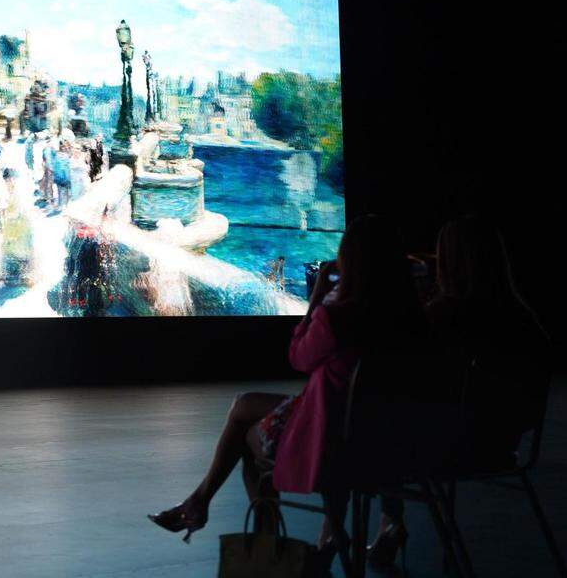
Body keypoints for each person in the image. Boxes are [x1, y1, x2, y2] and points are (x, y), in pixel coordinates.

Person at [149, 215, 423, 558]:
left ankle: (262, 542)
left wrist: (318, 300)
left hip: (333, 434)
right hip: (393, 436)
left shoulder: (338, 317)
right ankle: (201, 502)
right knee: (244, 403)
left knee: (247, 435)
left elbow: (300, 358)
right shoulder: (416, 321)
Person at [363, 215, 550, 569]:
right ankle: (395, 526)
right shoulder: (523, 319)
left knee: (368, 426)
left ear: (447, 260)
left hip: (455, 446)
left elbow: (393, 364)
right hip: (502, 444)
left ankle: (384, 525)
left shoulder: (445, 315)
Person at [0, 167, 35, 286]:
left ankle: (26, 274)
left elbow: (22, 209)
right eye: (7, 180)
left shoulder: (20, 192)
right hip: (12, 226)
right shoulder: (7, 193)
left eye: (11, 179)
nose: (9, 182)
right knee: (11, 248)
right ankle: (13, 272)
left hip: (21, 224)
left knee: (23, 247)